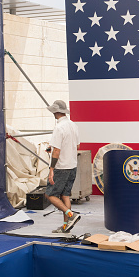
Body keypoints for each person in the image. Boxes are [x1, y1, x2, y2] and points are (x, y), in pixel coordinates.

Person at [44, 99, 81, 233]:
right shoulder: (73, 125)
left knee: (50, 194)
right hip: (72, 165)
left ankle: (71, 215)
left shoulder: (59, 128)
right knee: (65, 195)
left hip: (61, 167)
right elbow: (76, 146)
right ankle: (66, 227)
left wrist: (51, 170)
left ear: (55, 111)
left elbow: (57, 151)